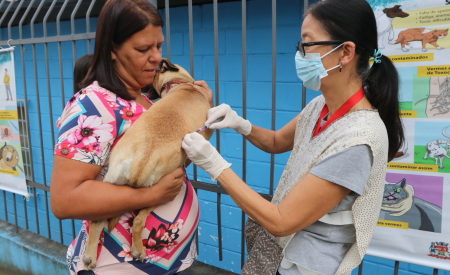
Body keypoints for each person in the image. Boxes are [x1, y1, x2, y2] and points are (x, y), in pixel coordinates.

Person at [181, 0, 404, 275]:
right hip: (281, 255)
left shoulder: (359, 140)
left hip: (306, 267)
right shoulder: (321, 106)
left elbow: (281, 221)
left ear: (345, 52)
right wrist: (239, 124)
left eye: (307, 45)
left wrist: (215, 165)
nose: (299, 54)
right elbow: (276, 141)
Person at [50, 1, 210, 274]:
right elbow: (65, 199)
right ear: (112, 48)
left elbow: (165, 163)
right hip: (116, 264)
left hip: (159, 261)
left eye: (158, 46)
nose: (157, 57)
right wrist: (151, 195)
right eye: (143, 49)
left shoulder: (145, 100)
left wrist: (202, 108)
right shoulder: (93, 108)